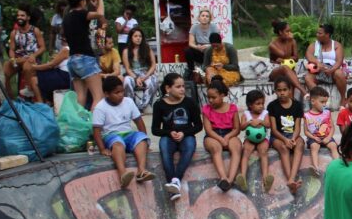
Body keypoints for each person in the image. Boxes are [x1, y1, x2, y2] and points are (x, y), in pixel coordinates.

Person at [92, 75, 156, 189]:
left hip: (128, 134)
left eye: (122, 91)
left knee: (141, 139)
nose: (121, 95)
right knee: (118, 144)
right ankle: (123, 174)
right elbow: (96, 131)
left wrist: (146, 142)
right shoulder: (100, 107)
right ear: (107, 94)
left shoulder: (129, 102)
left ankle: (141, 171)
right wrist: (102, 149)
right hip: (111, 136)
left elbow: (139, 122)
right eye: (117, 93)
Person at [151, 73, 202, 202]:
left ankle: (175, 181)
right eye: (178, 86)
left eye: (183, 86)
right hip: (169, 137)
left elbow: (198, 126)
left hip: (187, 136)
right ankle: (173, 182)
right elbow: (155, 130)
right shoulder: (159, 105)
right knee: (164, 146)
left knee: (190, 146)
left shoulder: (190, 102)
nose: (182, 89)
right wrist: (169, 133)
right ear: (168, 89)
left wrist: (184, 133)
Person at [62, 0, 106, 108]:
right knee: (98, 97)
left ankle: (78, 126)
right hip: (87, 57)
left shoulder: (70, 13)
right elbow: (100, 15)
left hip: (76, 57)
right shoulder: (82, 12)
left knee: (81, 97)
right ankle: (95, 126)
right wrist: (100, 0)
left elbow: (102, 24)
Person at [201, 78, 242, 192]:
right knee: (216, 148)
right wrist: (220, 139)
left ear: (222, 95)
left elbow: (236, 129)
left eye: (214, 97)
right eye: (208, 97)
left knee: (237, 147)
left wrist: (228, 137)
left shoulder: (232, 108)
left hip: (230, 133)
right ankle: (223, 177)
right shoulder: (206, 109)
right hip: (213, 135)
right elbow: (208, 130)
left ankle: (230, 179)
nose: (210, 100)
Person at [268, 76, 306, 194]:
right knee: (284, 148)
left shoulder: (297, 105)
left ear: (290, 90)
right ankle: (291, 180)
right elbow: (274, 129)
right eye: (279, 90)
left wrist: (293, 139)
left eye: (285, 90)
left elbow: (298, 127)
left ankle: (291, 179)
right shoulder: (272, 106)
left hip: (293, 135)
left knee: (300, 145)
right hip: (278, 137)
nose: (282, 93)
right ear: (275, 91)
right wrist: (285, 140)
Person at [6, 4, 46, 100]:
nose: (19, 17)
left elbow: (43, 47)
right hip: (19, 58)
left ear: (28, 17)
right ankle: (9, 95)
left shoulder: (35, 30)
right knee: (6, 69)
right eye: (18, 15)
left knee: (27, 67)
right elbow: (11, 49)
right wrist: (12, 58)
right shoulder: (14, 32)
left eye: (22, 15)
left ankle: (29, 89)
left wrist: (34, 55)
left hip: (31, 58)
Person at [239, 89, 275, 193]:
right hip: (249, 139)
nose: (261, 106)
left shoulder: (265, 113)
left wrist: (260, 121)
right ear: (250, 105)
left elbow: (268, 125)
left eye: (262, 103)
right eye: (258, 104)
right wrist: (249, 123)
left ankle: (265, 178)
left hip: (263, 139)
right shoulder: (245, 114)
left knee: (263, 152)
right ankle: (243, 177)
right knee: (246, 151)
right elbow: (241, 127)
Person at [304, 23, 347, 104]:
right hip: (318, 70)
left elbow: (339, 61)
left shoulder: (337, 45)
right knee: (308, 78)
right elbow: (308, 55)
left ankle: (343, 99)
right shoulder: (314, 45)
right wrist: (317, 62)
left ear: (327, 34)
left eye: (320, 33)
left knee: (339, 74)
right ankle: (319, 99)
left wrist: (332, 70)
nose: (317, 35)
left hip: (332, 70)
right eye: (317, 32)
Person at [303, 85, 339, 174]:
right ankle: (316, 168)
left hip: (327, 136)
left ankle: (338, 166)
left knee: (334, 146)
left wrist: (329, 137)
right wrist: (314, 138)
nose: (324, 104)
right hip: (314, 138)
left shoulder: (327, 113)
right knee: (314, 147)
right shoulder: (307, 115)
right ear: (313, 101)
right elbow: (306, 131)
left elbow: (332, 127)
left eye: (325, 102)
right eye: (322, 102)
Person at [27, 35, 71, 107]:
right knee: (42, 73)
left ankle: (40, 103)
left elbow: (51, 65)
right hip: (65, 75)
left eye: (62, 39)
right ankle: (47, 99)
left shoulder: (66, 49)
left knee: (34, 79)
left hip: (64, 77)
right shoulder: (73, 48)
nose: (61, 40)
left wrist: (35, 67)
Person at [121, 28, 158, 111]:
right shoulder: (126, 51)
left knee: (153, 81)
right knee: (127, 81)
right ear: (131, 38)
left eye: (140, 36)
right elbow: (127, 69)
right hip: (132, 74)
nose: (138, 38)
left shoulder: (147, 49)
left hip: (146, 73)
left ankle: (141, 106)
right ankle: (132, 106)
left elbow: (153, 65)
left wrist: (145, 76)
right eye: (135, 36)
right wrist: (136, 78)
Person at [267, 19, 306, 97]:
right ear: (280, 32)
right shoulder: (272, 45)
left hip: (289, 71)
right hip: (274, 72)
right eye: (287, 31)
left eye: (290, 31)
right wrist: (289, 41)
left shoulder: (292, 41)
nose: (290, 33)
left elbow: (296, 58)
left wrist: (284, 60)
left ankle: (291, 103)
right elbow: (284, 54)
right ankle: (303, 91)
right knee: (284, 68)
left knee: (291, 78)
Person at [186, 8, 219, 80]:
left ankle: (209, 71)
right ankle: (191, 71)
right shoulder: (194, 27)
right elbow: (190, 43)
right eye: (203, 15)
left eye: (207, 16)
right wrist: (197, 47)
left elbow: (218, 43)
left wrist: (208, 46)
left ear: (209, 18)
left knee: (214, 50)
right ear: (199, 17)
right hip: (199, 50)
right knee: (188, 50)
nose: (205, 18)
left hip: (210, 50)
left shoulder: (214, 27)